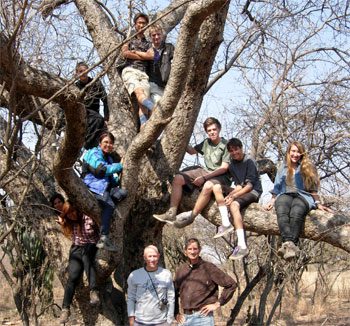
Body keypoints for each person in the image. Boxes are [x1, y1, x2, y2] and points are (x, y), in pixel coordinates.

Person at [153, 117, 231, 227]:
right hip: (206, 171)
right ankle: (171, 213)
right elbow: (191, 151)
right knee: (178, 178)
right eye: (209, 130)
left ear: (219, 129)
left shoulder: (226, 145)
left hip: (221, 176)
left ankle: (192, 216)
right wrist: (180, 139)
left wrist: (204, 178)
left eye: (214, 129)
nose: (212, 132)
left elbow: (224, 168)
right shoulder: (206, 143)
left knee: (208, 186)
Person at [264, 141, 332, 260]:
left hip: (303, 196)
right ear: (289, 152)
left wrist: (318, 203)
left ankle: (290, 244)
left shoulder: (307, 167)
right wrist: (272, 201)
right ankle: (289, 244)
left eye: (298, 152)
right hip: (286, 193)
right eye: (293, 151)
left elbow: (313, 189)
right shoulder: (283, 167)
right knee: (282, 209)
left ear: (302, 154)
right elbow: (277, 186)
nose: (295, 154)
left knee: (296, 211)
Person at [211, 138, 263, 260]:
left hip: (253, 191)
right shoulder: (232, 164)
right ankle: (225, 223)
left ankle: (242, 246)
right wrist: (230, 194)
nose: (234, 153)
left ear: (241, 148)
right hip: (242, 189)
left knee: (234, 205)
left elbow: (249, 186)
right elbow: (239, 185)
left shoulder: (249, 161)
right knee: (218, 188)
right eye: (231, 151)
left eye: (236, 149)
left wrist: (234, 196)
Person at [174, 238, 236, 326]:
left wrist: (217, 304)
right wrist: (175, 313)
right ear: (185, 252)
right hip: (184, 318)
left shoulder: (208, 268)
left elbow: (231, 284)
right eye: (190, 249)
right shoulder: (181, 270)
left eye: (195, 249)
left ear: (199, 250)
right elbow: (174, 293)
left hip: (203, 317)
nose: (192, 252)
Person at [82, 132, 127, 251]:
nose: (109, 145)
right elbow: (100, 171)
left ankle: (104, 204)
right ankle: (103, 238)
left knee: (122, 193)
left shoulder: (109, 157)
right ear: (100, 143)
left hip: (105, 187)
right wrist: (119, 166)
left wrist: (117, 177)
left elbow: (112, 179)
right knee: (109, 205)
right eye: (106, 142)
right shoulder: (93, 153)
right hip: (93, 186)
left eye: (111, 143)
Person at [58, 202, 100, 324]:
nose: (71, 215)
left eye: (73, 212)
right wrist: (63, 221)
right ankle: (65, 309)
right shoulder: (68, 220)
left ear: (77, 209)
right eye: (68, 214)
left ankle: (93, 291)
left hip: (92, 244)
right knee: (73, 277)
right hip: (76, 248)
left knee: (87, 258)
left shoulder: (88, 217)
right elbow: (61, 215)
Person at [127, 245, 175, 326]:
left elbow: (171, 297)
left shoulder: (166, 274)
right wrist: (131, 318)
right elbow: (131, 298)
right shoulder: (134, 275)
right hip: (140, 321)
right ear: (144, 257)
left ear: (159, 256)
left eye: (154, 256)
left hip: (161, 322)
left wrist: (169, 320)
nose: (152, 259)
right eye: (149, 256)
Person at [121, 13, 155, 126]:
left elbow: (151, 56)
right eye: (139, 23)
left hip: (143, 74)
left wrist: (135, 52)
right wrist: (142, 55)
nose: (141, 25)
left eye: (144, 23)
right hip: (131, 70)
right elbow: (125, 53)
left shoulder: (148, 43)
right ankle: (155, 109)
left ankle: (144, 128)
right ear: (135, 24)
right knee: (139, 92)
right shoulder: (129, 38)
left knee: (144, 106)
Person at [75, 62, 109, 149]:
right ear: (77, 73)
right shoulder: (75, 87)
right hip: (82, 113)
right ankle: (88, 145)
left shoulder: (96, 83)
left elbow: (105, 99)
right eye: (80, 71)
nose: (83, 73)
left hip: (95, 114)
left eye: (85, 70)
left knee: (104, 130)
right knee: (97, 120)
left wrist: (106, 117)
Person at [147, 24, 174, 104]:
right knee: (158, 105)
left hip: (167, 85)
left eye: (158, 34)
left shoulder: (169, 47)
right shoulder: (147, 48)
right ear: (150, 37)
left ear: (162, 35)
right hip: (153, 84)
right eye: (153, 35)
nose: (156, 37)